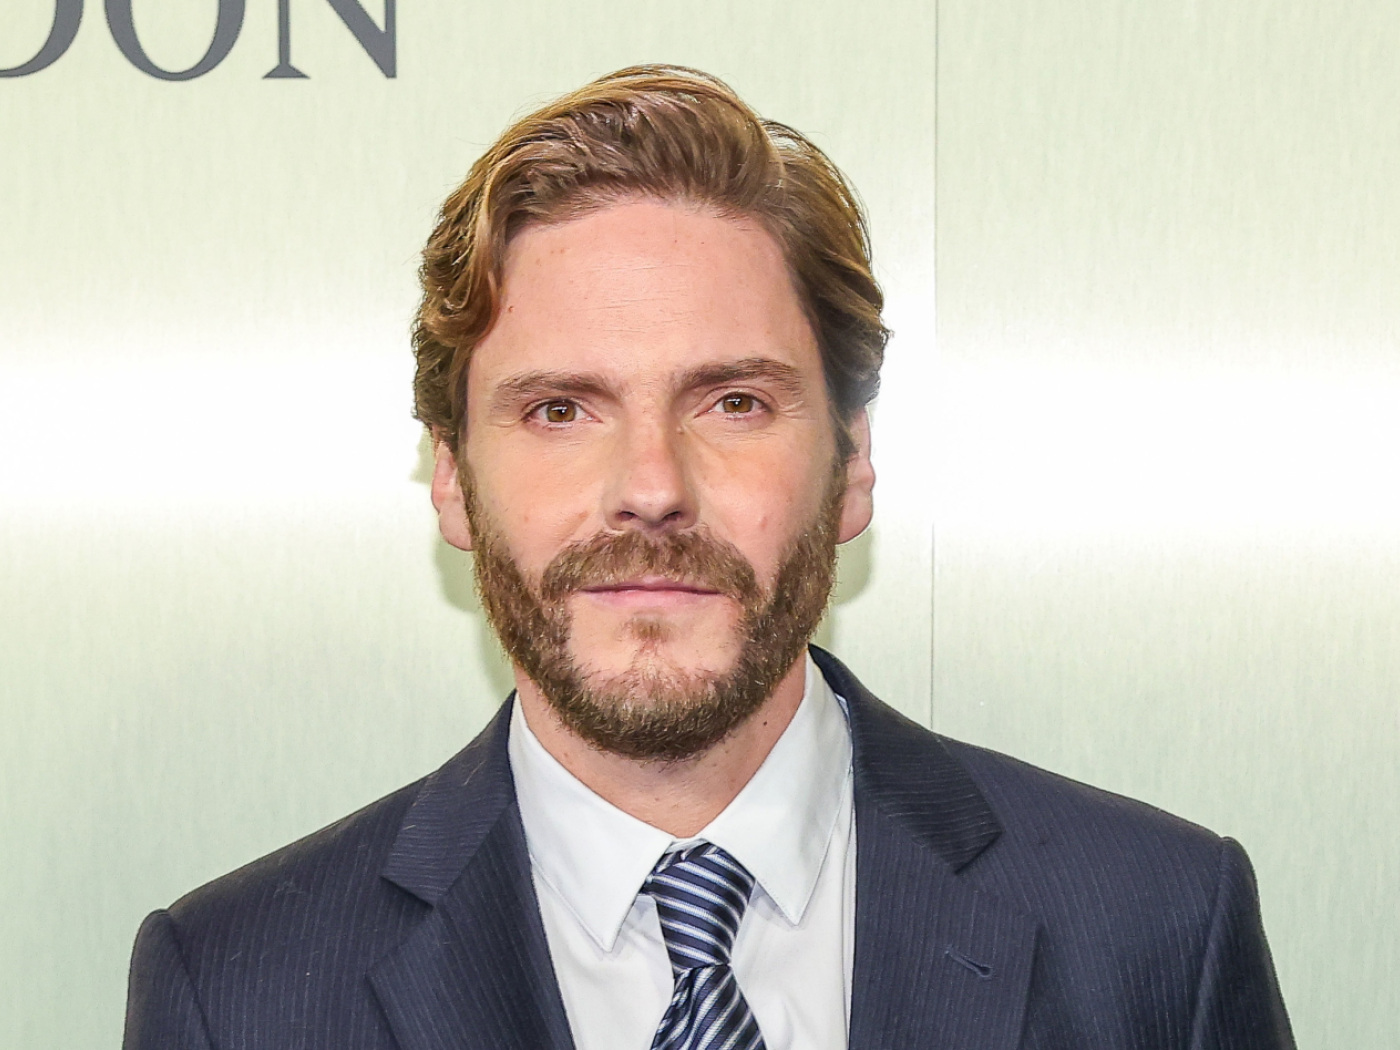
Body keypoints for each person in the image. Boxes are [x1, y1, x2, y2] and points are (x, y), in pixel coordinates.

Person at [123, 65, 1294, 1050]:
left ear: (852, 461)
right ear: (450, 478)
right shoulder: (236, 992)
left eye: (733, 401)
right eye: (559, 410)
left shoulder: (1154, 932)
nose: (651, 488)